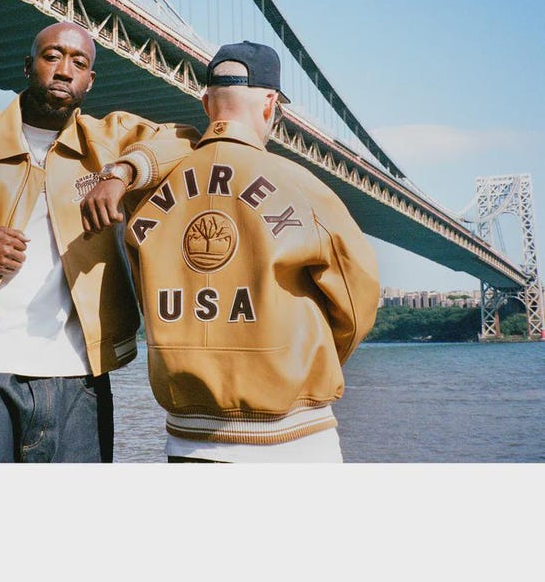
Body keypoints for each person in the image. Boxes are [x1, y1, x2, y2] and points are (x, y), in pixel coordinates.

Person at [0, 21, 198, 463]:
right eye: (53, 56)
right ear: (29, 66)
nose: (64, 69)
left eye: (79, 62)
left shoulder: (110, 140)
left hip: (80, 375)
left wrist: (121, 173)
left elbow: (186, 139)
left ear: (90, 80)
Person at [84, 40, 379, 462]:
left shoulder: (145, 198)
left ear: (206, 104)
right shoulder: (303, 186)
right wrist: (309, 362)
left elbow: (143, 294)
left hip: (189, 440)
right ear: (270, 104)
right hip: (292, 439)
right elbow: (357, 301)